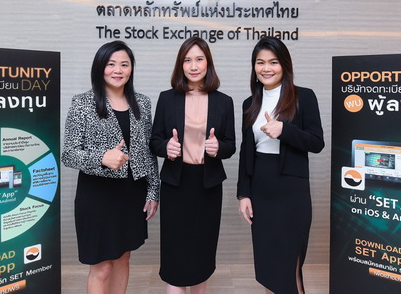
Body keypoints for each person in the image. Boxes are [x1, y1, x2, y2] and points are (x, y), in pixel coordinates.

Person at [61, 40, 160, 294]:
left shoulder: (142, 103)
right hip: (97, 196)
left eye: (124, 64)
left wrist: (153, 191)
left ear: (131, 69)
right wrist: (102, 158)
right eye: (111, 64)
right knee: (102, 268)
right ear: (100, 67)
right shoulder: (83, 103)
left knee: (124, 258)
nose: (118, 70)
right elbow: (68, 154)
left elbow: (148, 151)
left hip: (132, 194)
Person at [237, 37, 324, 294]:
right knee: (269, 270)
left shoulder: (303, 97)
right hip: (261, 191)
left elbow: (316, 142)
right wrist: (244, 193)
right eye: (260, 62)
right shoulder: (249, 103)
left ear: (284, 65)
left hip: (291, 192)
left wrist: (284, 130)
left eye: (273, 62)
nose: (266, 68)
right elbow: (245, 152)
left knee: (289, 268)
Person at [150, 37, 236, 294]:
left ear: (208, 63)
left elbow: (231, 145)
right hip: (176, 185)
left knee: (202, 252)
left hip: (208, 186)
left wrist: (218, 148)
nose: (194, 66)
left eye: (199, 59)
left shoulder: (224, 101)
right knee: (176, 253)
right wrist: (166, 148)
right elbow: (155, 141)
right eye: (187, 60)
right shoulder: (167, 98)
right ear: (181, 65)